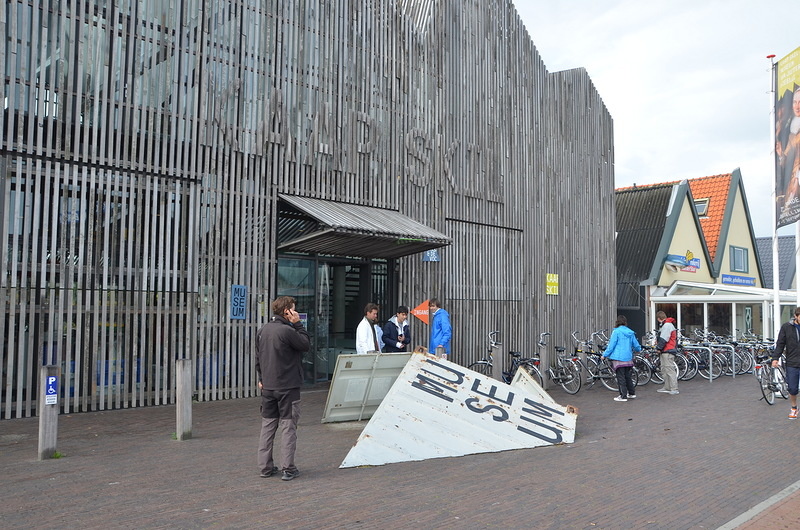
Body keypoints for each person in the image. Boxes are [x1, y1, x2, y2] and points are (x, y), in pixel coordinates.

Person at [255, 295, 310, 481]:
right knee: (288, 427)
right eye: (294, 309)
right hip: (287, 386)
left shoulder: (263, 331)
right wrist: (299, 324)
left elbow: (258, 358)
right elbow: (305, 344)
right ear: (287, 311)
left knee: (268, 426)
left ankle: (265, 467)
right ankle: (288, 468)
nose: (296, 313)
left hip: (268, 387)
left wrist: (261, 378)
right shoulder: (287, 331)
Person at [602, 315, 641, 402]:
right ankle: (631, 393)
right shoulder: (630, 332)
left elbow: (611, 345)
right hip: (628, 357)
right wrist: (638, 350)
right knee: (628, 376)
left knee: (620, 377)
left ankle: (623, 396)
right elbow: (636, 344)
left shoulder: (616, 332)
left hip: (618, 358)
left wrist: (604, 355)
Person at [773, 307, 800, 419]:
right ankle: (794, 408)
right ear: (796, 316)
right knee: (792, 388)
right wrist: (775, 358)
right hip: (792, 362)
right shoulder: (786, 327)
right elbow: (780, 343)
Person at [655, 310, 679, 395]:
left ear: (659, 318)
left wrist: (658, 348)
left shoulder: (666, 325)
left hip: (667, 350)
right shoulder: (668, 324)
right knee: (665, 369)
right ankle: (668, 387)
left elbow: (664, 338)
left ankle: (673, 388)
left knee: (669, 369)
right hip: (666, 350)